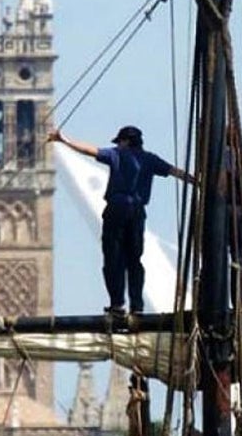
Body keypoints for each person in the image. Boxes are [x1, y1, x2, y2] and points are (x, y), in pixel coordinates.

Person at [47, 125, 192, 314]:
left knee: (114, 259)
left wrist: (63, 140)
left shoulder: (117, 154)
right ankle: (137, 305)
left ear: (124, 141)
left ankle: (117, 303)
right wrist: (197, 181)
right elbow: (175, 171)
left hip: (116, 210)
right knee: (135, 260)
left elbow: (90, 151)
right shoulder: (150, 159)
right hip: (137, 213)